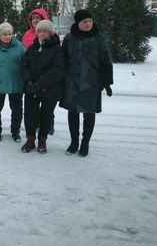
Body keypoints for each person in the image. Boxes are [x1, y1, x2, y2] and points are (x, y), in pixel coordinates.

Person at [60, 9, 113, 158]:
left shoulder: (99, 38)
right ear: (78, 23)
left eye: (90, 20)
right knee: (73, 112)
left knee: (89, 113)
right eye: (85, 21)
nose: (88, 24)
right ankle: (74, 142)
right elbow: (63, 60)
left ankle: (85, 144)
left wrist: (107, 82)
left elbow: (106, 60)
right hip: (71, 81)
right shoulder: (70, 38)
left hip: (91, 82)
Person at [20, 20, 65, 153]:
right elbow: (24, 65)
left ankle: (42, 140)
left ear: (50, 33)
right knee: (29, 113)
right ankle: (30, 139)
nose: (41, 33)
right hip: (31, 87)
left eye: (44, 31)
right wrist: (28, 81)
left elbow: (57, 69)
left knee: (46, 114)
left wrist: (40, 83)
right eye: (39, 31)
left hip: (50, 89)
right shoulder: (32, 48)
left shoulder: (57, 49)